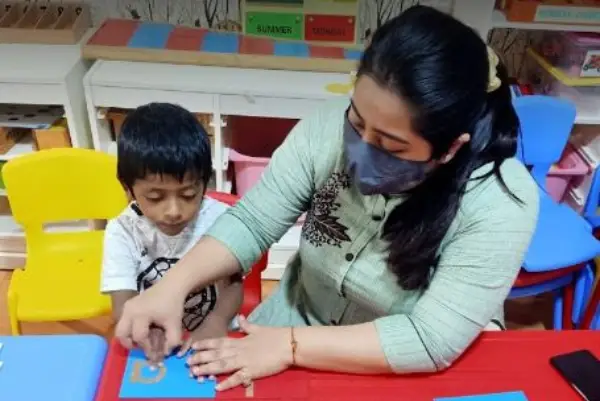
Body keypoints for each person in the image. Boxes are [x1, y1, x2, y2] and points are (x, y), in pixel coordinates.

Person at [115, 6, 539, 390]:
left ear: (449, 148)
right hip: (289, 323)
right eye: (356, 121)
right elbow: (254, 221)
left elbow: (429, 338)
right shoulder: (324, 130)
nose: (360, 148)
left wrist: (291, 346)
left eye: (390, 145)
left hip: (396, 364)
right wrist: (173, 286)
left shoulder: (499, 203)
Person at [100, 102, 243, 364]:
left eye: (188, 195)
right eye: (155, 197)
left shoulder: (220, 219)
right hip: (157, 341)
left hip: (215, 332)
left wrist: (216, 322)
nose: (174, 211)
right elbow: (122, 303)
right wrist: (148, 329)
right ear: (127, 188)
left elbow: (233, 285)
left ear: (205, 182)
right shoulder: (122, 231)